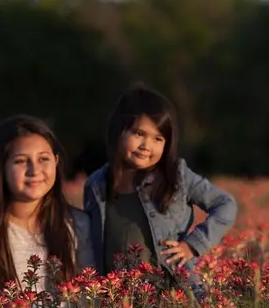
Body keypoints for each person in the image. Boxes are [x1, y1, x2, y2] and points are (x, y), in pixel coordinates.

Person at [82, 85, 237, 281]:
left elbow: (225, 204)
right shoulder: (96, 185)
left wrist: (193, 245)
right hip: (119, 299)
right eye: (138, 134)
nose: (146, 146)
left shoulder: (177, 176)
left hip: (171, 293)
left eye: (158, 138)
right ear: (117, 131)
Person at [0, 115, 94, 302]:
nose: (34, 170)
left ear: (56, 162)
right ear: (1, 167)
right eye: (20, 161)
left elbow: (90, 302)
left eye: (43, 159)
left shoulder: (77, 225)